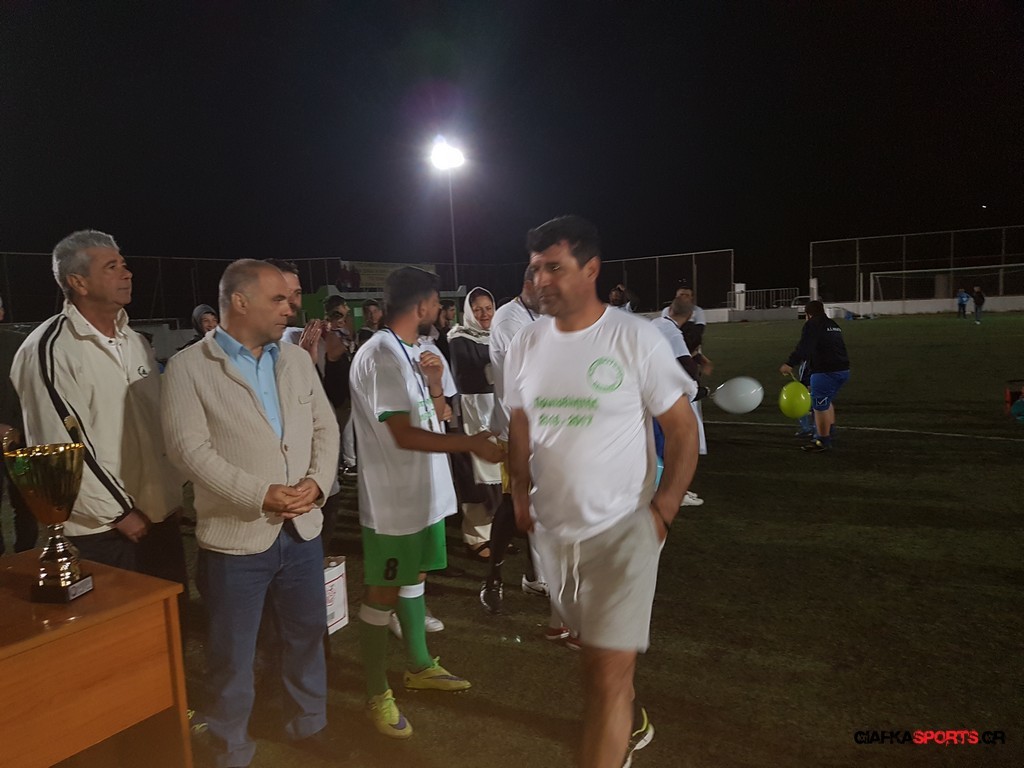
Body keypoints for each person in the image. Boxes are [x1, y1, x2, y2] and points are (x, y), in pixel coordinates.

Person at [505, 216, 699, 768]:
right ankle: (630, 723)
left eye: (555, 268)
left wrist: (661, 514)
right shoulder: (525, 344)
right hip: (555, 533)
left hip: (623, 532)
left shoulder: (633, 337)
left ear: (591, 269)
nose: (541, 280)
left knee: (609, 677)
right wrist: (520, 496)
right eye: (535, 269)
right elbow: (520, 424)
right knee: (594, 666)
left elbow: (682, 430)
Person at [162, 259, 341, 767]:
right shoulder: (188, 367)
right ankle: (230, 743)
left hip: (302, 530)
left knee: (306, 635)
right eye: (278, 299)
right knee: (232, 651)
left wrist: (316, 483)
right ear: (239, 302)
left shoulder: (296, 359)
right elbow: (187, 451)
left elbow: (325, 428)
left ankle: (308, 723)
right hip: (234, 539)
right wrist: (259, 494)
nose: (290, 308)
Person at [348, 266, 503, 739]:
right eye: (436, 302)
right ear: (420, 305)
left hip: (425, 495)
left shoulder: (415, 351)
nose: (441, 309)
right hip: (394, 502)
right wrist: (471, 444)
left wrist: (436, 388)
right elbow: (403, 434)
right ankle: (376, 691)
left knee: (414, 579)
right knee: (382, 593)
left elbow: (435, 415)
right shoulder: (380, 356)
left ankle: (418, 665)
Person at [11, 230, 185, 586]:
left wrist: (169, 490)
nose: (127, 273)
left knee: (171, 616)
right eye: (111, 267)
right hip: (106, 529)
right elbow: (62, 446)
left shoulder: (135, 342)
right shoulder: (51, 349)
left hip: (159, 513)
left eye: (124, 264)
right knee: (126, 620)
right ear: (79, 282)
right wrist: (119, 513)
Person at [481, 267, 564, 635]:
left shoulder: (538, 314)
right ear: (528, 284)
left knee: (541, 501)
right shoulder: (508, 319)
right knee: (511, 504)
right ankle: (492, 579)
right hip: (515, 428)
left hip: (543, 426)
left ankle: (534, 575)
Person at [448, 287, 503, 560]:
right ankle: (476, 537)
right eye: (478, 309)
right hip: (473, 415)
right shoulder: (459, 337)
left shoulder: (499, 334)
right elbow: (467, 376)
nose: (484, 314)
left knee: (500, 476)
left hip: (499, 411)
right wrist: (500, 370)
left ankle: (497, 531)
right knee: (477, 476)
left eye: (488, 308)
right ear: (469, 312)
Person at [779, 300, 851, 453]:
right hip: (843, 370)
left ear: (808, 314)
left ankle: (822, 441)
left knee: (819, 407)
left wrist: (790, 363)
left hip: (825, 371)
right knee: (826, 401)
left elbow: (805, 346)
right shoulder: (833, 324)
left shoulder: (812, 324)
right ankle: (829, 431)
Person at [0, 318, 36, 556]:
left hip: (19, 442)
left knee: (26, 501)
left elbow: (32, 390)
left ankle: (26, 555)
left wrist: (16, 427)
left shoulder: (20, 344)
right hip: (17, 436)